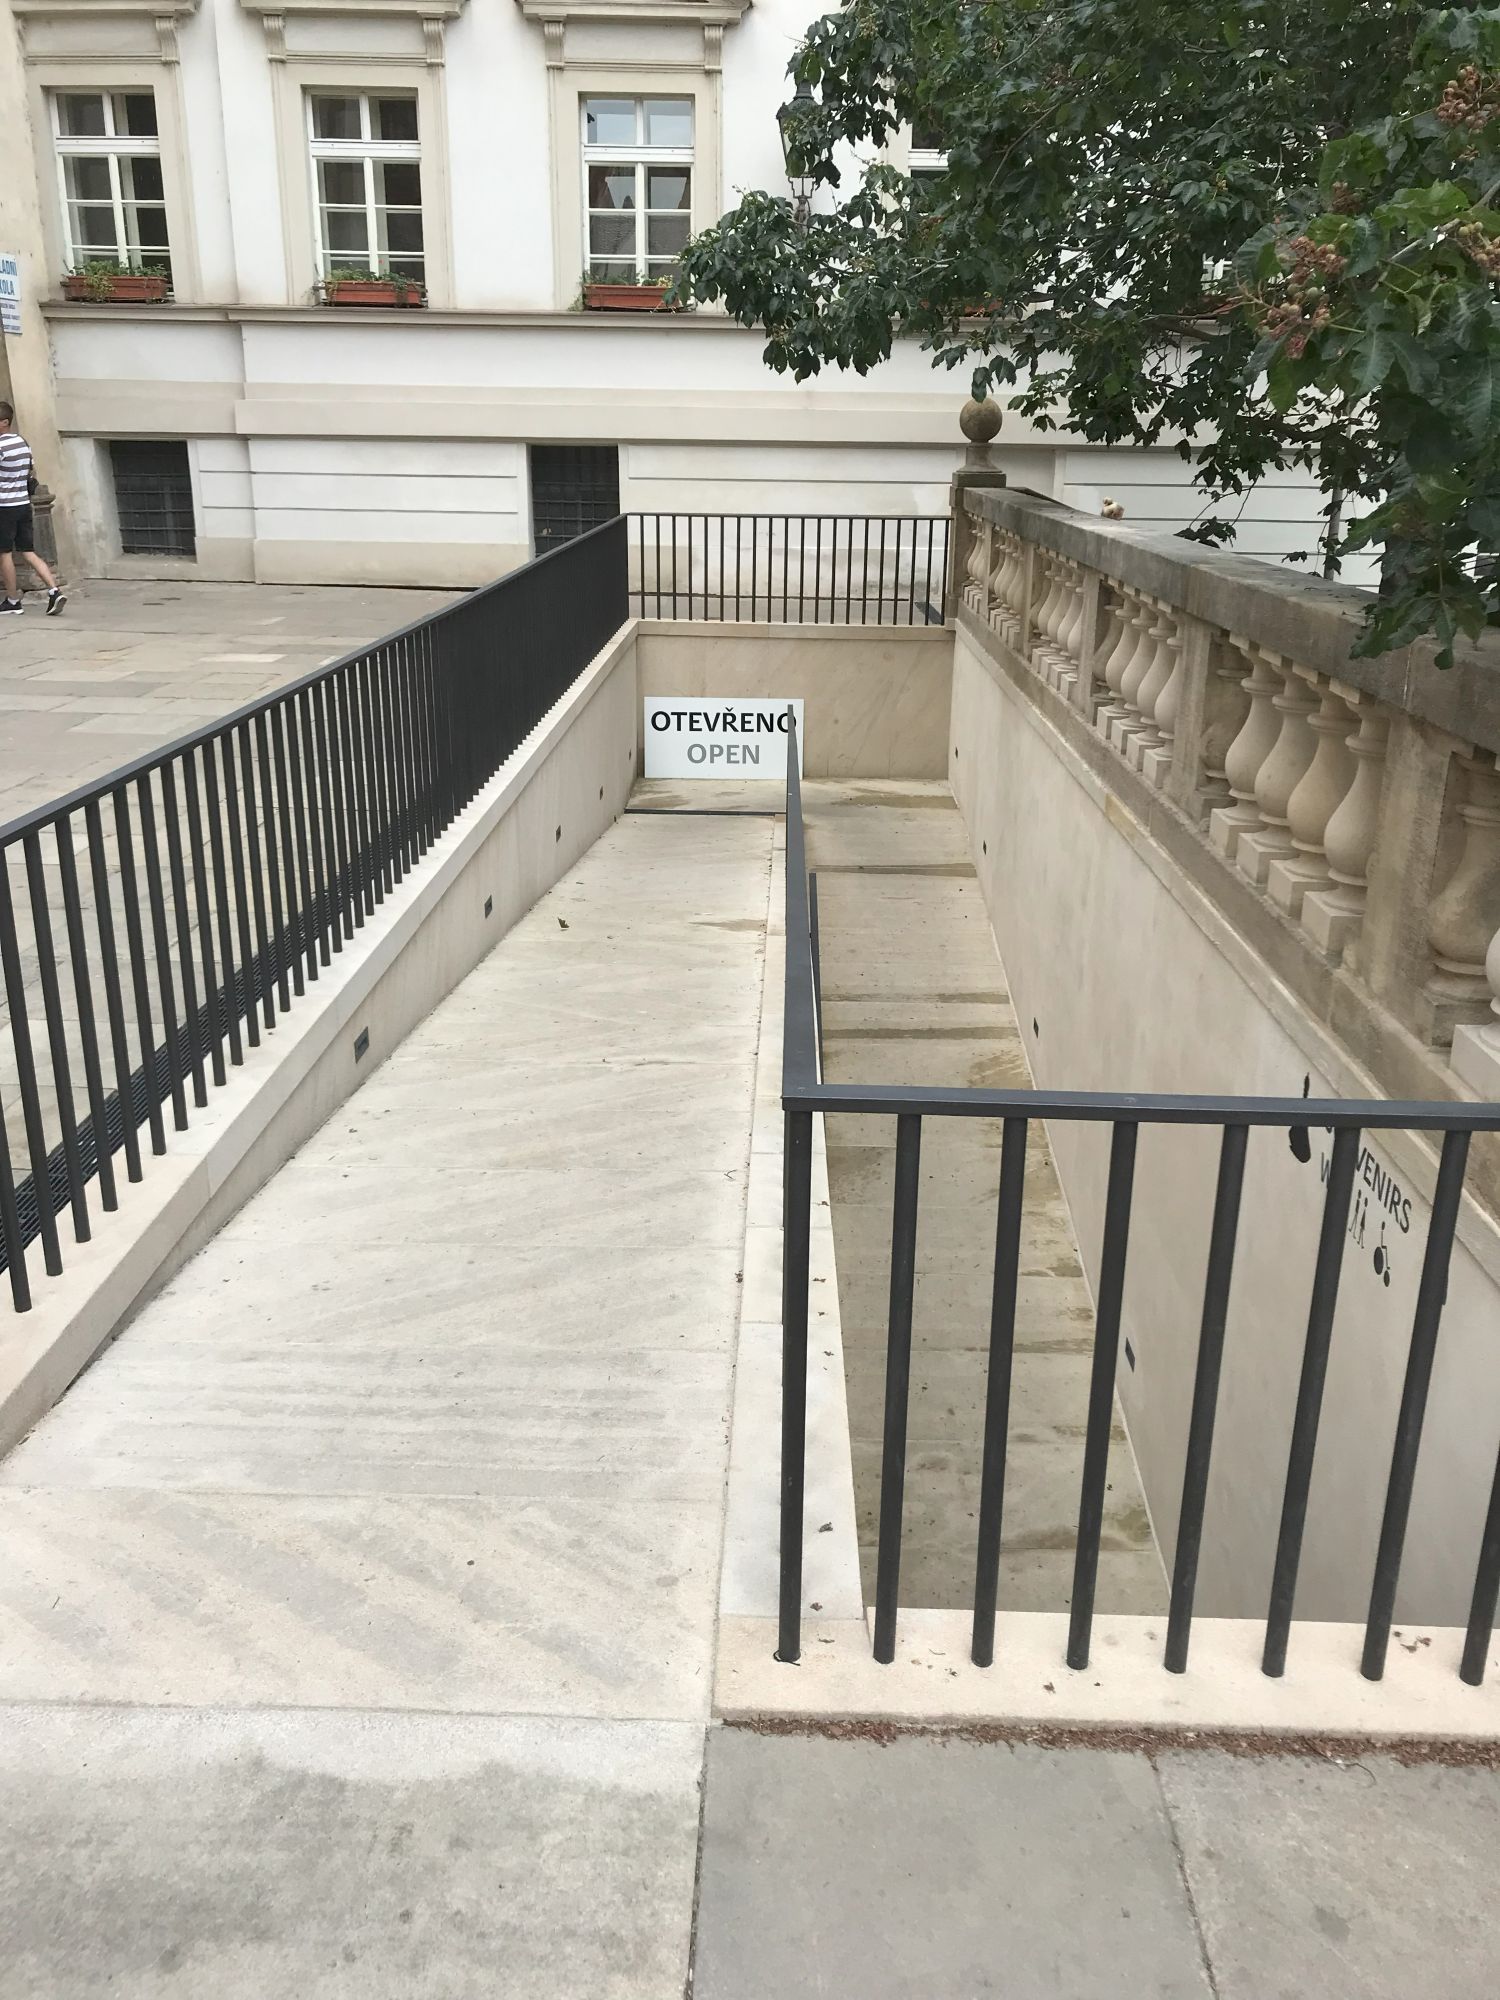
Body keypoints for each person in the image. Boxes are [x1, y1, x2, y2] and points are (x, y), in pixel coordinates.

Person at [0, 401, 66, 616]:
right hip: (23, 504)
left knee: (4, 553)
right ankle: (54, 591)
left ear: (4, 422)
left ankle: (12, 600)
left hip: (4, 506)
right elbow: (32, 471)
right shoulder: (23, 442)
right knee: (28, 551)